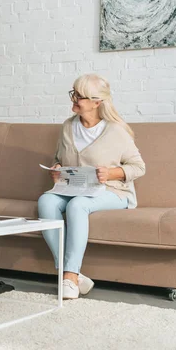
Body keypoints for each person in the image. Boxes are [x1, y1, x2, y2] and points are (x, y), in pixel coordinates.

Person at [38, 73, 146, 299]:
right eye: (74, 93)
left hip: (114, 192)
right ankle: (72, 277)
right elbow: (58, 157)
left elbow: (138, 167)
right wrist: (56, 167)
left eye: (80, 96)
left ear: (97, 102)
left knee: (77, 206)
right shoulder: (68, 126)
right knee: (46, 201)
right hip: (73, 188)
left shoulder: (116, 130)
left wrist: (111, 173)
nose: (74, 99)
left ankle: (68, 275)